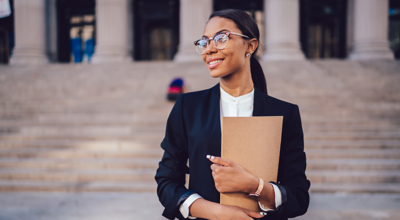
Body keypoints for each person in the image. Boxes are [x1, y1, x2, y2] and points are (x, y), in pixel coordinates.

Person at [155, 9, 310, 220]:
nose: (208, 49)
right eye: (204, 42)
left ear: (250, 45)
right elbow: (166, 182)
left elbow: (299, 197)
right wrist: (216, 212)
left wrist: (256, 186)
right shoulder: (187, 107)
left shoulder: (285, 113)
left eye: (220, 38)